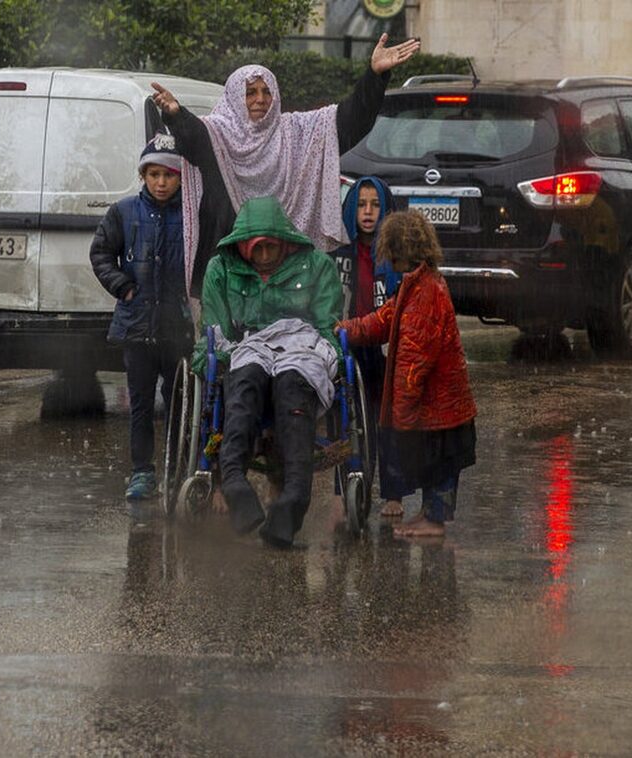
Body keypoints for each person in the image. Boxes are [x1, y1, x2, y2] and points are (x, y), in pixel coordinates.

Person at [149, 34, 421, 298]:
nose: (260, 99)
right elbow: (192, 139)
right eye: (250, 92)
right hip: (229, 272)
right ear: (234, 97)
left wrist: (374, 77)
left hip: (287, 274)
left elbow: (350, 122)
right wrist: (175, 114)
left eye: (267, 92)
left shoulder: (297, 131)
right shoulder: (216, 134)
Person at [198, 196, 342, 548]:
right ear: (244, 247)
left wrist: (332, 357)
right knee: (243, 382)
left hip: (300, 343)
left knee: (293, 386)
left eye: (271, 249)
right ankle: (233, 482)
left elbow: (326, 324)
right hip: (250, 345)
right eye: (257, 249)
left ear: (284, 242)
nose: (264, 257)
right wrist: (209, 359)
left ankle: (292, 500)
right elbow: (214, 333)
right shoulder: (222, 268)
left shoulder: (318, 266)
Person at [337, 210, 477, 538]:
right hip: (441, 406)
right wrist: (346, 329)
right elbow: (384, 320)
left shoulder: (425, 293)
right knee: (437, 463)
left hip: (440, 408)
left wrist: (401, 416)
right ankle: (429, 514)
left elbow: (414, 362)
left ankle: (435, 519)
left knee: (440, 462)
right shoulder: (417, 284)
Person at [90, 136, 193, 511]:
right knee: (141, 404)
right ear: (143, 175)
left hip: (178, 327)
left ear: (181, 177)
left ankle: (180, 467)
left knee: (180, 400)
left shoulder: (191, 215)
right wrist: (123, 286)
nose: (161, 183)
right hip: (136, 326)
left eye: (169, 174)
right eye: (154, 174)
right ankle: (142, 471)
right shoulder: (124, 212)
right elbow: (101, 253)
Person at [329, 176, 407, 519]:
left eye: (375, 205)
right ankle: (341, 489)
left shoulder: (394, 256)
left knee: (384, 421)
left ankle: (392, 493)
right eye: (361, 205)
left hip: (380, 348)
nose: (368, 212)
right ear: (350, 210)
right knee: (343, 420)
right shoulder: (338, 254)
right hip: (345, 347)